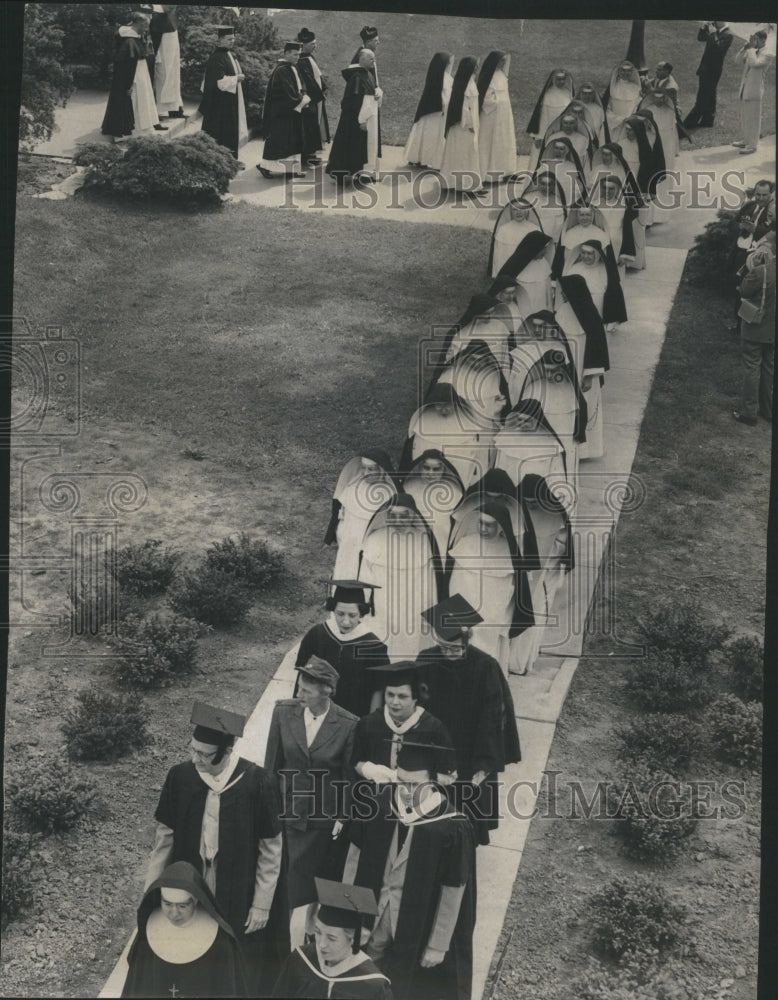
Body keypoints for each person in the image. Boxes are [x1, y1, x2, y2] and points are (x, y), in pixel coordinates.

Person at [144, 703, 286, 994]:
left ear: (227, 752)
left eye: (204, 754)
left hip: (238, 890)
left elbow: (271, 848)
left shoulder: (258, 782)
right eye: (192, 750)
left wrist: (262, 903)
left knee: (233, 958)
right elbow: (164, 839)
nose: (195, 759)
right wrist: (152, 892)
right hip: (192, 886)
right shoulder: (180, 777)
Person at [348, 737, 477, 1000]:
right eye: (401, 780)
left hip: (419, 928)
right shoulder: (378, 803)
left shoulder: (452, 826)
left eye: (414, 784)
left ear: (433, 782)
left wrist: (438, 945)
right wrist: (347, 917)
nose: (405, 790)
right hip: (374, 919)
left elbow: (454, 889)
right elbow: (354, 861)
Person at [415, 595, 522, 846]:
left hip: (470, 754)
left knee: (464, 822)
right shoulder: (425, 660)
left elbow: (493, 720)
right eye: (443, 647)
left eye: (455, 648)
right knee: (428, 821)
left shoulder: (486, 667)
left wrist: (483, 765)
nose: (449, 653)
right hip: (434, 753)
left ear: (468, 640)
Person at [264, 658, 358, 944]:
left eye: (307, 690)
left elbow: (348, 779)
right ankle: (278, 937)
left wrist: (342, 818)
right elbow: (271, 767)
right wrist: (267, 809)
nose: (299, 693)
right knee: (287, 881)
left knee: (317, 878)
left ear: (327, 691)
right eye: (299, 687)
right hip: (287, 812)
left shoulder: (348, 724)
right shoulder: (283, 712)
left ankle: (310, 931)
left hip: (322, 818)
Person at [122, 861, 249, 998]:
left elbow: (227, 989)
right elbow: (137, 988)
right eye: (167, 904)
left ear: (195, 901)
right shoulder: (148, 936)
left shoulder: (220, 941)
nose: (174, 913)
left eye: (182, 906)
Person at [446, 499, 533, 667]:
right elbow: (454, 582)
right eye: (481, 523)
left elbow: (510, 592)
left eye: (489, 525)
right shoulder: (465, 544)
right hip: (462, 613)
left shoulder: (509, 552)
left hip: (491, 617)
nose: (483, 529)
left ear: (501, 526)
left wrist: (500, 619)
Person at [272, 879, 392, 998]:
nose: (322, 944)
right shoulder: (300, 961)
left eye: (332, 938)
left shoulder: (373, 985)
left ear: (353, 940)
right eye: (318, 932)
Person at [358, 493, 443, 658]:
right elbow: (365, 578)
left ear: (412, 517)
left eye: (403, 516)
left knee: (410, 645)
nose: (398, 521)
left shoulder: (423, 540)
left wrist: (430, 609)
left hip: (413, 606)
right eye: (393, 516)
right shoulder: (375, 539)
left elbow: (431, 582)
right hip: (383, 603)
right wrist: (363, 605)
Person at [295, 580, 389, 718]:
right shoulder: (317, 634)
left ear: (361, 613)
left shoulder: (374, 646)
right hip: (316, 712)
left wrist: (370, 723)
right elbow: (302, 676)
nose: (346, 621)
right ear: (333, 610)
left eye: (352, 615)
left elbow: (378, 690)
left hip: (354, 717)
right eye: (340, 614)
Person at [353, 661, 457, 783]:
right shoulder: (368, 724)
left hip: (419, 796)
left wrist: (424, 778)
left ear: (415, 698)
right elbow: (355, 761)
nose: (394, 702)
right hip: (377, 796)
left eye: (402, 696)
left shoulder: (434, 728)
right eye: (390, 694)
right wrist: (373, 771)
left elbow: (449, 776)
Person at [556, 271, 611, 459]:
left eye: (564, 291)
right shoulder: (562, 312)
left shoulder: (589, 314)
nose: (562, 295)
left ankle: (587, 450)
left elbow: (597, 347)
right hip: (567, 365)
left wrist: (589, 374)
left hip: (584, 369)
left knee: (587, 403)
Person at [325, 450, 397, 579]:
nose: (366, 473)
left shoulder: (390, 495)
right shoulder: (353, 486)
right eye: (363, 468)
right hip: (348, 545)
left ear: (382, 470)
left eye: (371, 469)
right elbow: (342, 515)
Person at [101, 12, 163, 140]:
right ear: (139, 24)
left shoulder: (134, 37)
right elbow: (128, 65)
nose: (146, 29)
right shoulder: (129, 40)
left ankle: (142, 128)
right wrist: (128, 84)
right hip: (134, 75)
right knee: (135, 99)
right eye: (145, 26)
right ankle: (132, 132)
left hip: (140, 71)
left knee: (143, 98)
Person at [733, 239, 775, 425]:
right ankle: (768, 410)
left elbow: (744, 290)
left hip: (756, 327)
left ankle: (749, 412)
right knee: (769, 368)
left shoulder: (761, 272)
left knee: (752, 366)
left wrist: (753, 265)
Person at [326, 49, 382, 184]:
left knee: (358, 147)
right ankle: (341, 174)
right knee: (349, 146)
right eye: (370, 59)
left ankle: (359, 172)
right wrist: (361, 120)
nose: (373, 62)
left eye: (374, 59)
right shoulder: (357, 77)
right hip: (354, 119)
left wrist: (378, 92)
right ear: (361, 60)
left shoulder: (367, 74)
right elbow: (355, 100)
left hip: (363, 116)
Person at [258, 42, 309, 178]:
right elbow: (288, 92)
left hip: (291, 111)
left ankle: (292, 169)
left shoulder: (293, 67)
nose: (297, 57)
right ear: (286, 54)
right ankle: (265, 167)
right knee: (278, 140)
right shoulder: (282, 70)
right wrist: (302, 101)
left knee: (292, 140)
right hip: (282, 112)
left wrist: (304, 95)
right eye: (294, 54)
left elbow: (301, 85)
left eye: (298, 54)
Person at [401, 449, 465, 556]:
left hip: (442, 540)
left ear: (443, 469)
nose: (430, 473)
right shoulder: (408, 487)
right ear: (420, 467)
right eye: (426, 468)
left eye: (436, 469)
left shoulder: (454, 491)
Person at [199, 25, 248, 158]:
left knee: (229, 131)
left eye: (233, 39)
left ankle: (230, 159)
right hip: (219, 104)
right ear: (220, 40)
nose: (231, 42)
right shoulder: (217, 57)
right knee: (220, 132)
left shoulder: (228, 54)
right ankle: (221, 159)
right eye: (228, 39)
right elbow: (219, 82)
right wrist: (236, 78)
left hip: (228, 102)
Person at [439, 56, 484, 195]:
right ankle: (466, 186)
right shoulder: (465, 86)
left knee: (467, 156)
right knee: (464, 157)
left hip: (466, 127)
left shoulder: (469, 83)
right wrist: (470, 124)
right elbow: (463, 108)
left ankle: (469, 185)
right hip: (463, 128)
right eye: (475, 66)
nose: (477, 68)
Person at [404, 52, 454, 170]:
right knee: (430, 137)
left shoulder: (447, 78)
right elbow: (442, 96)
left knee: (430, 137)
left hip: (437, 113)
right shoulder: (439, 78)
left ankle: (422, 159)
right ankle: (422, 159)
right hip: (435, 113)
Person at [477, 51, 517, 183]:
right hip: (491, 116)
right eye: (500, 61)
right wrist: (498, 104)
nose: (502, 64)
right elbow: (485, 97)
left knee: (504, 141)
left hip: (504, 115)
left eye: (503, 62)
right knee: (491, 142)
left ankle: (506, 171)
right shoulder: (487, 76)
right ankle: (489, 174)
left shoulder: (502, 75)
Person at [684, 21, 733, 128]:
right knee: (710, 95)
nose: (713, 22)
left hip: (713, 70)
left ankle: (689, 122)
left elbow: (719, 49)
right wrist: (703, 28)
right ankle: (708, 120)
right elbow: (701, 38)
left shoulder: (728, 34)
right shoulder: (716, 32)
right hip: (706, 69)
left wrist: (712, 33)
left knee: (703, 96)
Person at [495, 230, 554, 315]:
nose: (545, 252)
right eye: (542, 249)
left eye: (546, 248)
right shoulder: (517, 264)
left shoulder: (544, 263)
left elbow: (548, 289)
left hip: (542, 306)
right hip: (524, 308)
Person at [733, 30, 773, 155]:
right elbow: (737, 61)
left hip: (755, 90)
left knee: (753, 119)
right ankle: (746, 140)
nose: (753, 41)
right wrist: (744, 48)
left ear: (763, 40)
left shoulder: (768, 54)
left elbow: (754, 63)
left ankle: (752, 145)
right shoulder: (752, 51)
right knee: (745, 117)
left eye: (756, 39)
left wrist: (750, 49)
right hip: (745, 89)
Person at [296, 28, 329, 167]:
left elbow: (318, 76)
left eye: (315, 43)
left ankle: (311, 154)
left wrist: (324, 87)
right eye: (312, 44)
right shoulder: (301, 60)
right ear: (303, 45)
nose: (315, 46)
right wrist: (319, 93)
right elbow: (308, 80)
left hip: (315, 97)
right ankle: (306, 155)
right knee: (308, 126)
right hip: (309, 98)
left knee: (314, 125)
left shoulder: (309, 57)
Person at [487, 197, 543, 277]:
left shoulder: (534, 228)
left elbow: (540, 252)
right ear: (510, 212)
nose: (518, 212)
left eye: (521, 209)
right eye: (515, 210)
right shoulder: (504, 229)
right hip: (509, 268)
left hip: (529, 269)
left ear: (527, 211)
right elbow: (499, 255)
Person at [526, 68, 575, 158]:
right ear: (553, 80)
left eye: (563, 79)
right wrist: (539, 137)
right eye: (558, 79)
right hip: (549, 133)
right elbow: (543, 119)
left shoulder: (568, 94)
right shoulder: (548, 96)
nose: (561, 81)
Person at [149, 5, 183, 121]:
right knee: (161, 81)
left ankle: (175, 109)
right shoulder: (156, 15)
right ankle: (157, 113)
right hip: (162, 57)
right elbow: (154, 41)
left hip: (173, 57)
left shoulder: (171, 14)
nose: (173, 6)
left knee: (174, 80)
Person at [602, 61, 642, 132]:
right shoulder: (613, 88)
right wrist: (618, 120)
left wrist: (630, 118)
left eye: (628, 71)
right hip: (614, 123)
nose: (625, 73)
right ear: (618, 71)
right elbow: (607, 108)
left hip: (630, 123)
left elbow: (637, 106)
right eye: (623, 70)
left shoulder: (636, 88)